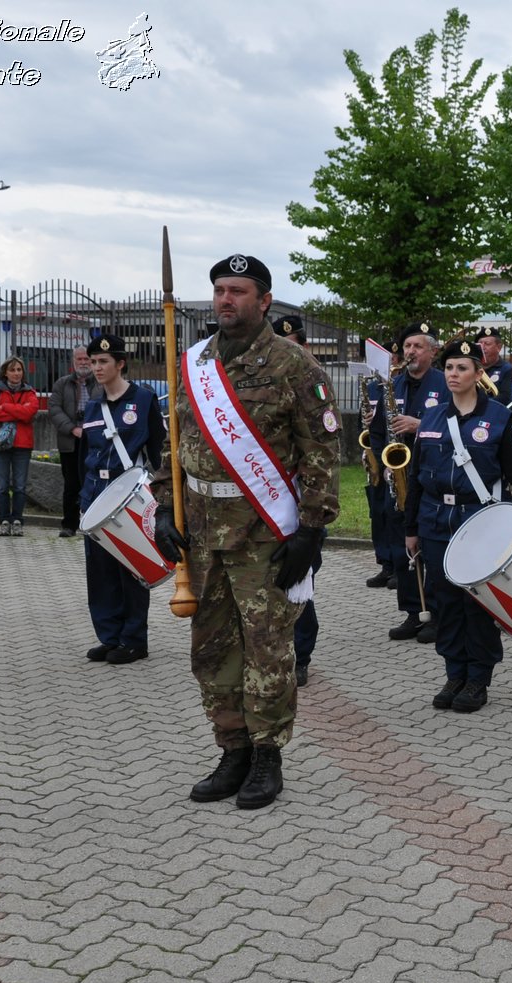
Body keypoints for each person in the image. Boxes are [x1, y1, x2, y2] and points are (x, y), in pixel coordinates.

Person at [150, 254, 340, 810]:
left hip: (265, 532)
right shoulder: (193, 364)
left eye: (237, 291)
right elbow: (175, 443)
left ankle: (266, 756)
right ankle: (231, 748)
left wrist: (311, 530)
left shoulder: (293, 365)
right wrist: (164, 506)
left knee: (267, 649)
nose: (225, 300)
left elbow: (321, 452)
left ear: (263, 300)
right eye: (219, 290)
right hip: (203, 532)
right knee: (211, 649)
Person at [403, 341, 512, 712]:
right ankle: (455, 672)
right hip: (436, 521)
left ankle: (478, 678)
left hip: (480, 522)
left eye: (462, 368)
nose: (453, 375)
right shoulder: (433, 417)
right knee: (446, 602)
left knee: (478, 603)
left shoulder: (499, 417)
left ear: (478, 374)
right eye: (449, 368)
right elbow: (416, 478)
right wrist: (410, 528)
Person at [79, 334, 166, 665]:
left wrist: (161, 495)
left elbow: (158, 449)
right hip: (95, 494)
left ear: (120, 364)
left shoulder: (143, 400)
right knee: (99, 572)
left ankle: (133, 639)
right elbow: (83, 455)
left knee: (131, 567)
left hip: (129, 495)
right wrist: (78, 500)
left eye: (103, 362)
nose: (97, 368)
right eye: (93, 362)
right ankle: (109, 636)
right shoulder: (92, 406)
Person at [370, 322, 447, 642]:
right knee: (404, 550)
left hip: (432, 477)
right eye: (406, 347)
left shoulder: (446, 384)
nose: (410, 352)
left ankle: (438, 614)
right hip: (399, 478)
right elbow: (376, 431)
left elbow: (458, 427)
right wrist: (385, 461)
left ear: (432, 351)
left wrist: (421, 425)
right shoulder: (393, 384)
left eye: (418, 346)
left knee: (430, 548)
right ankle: (414, 612)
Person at [276, 314, 325, 687]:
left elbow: (322, 449)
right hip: (261, 503)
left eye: (291, 343)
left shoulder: (313, 382)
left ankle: (301, 655)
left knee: (299, 583)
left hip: (299, 501)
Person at [362, 340, 404, 591]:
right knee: (379, 513)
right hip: (378, 454)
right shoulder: (372, 387)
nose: (393, 362)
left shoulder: (396, 385)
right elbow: (368, 422)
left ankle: (399, 567)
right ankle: (386, 563)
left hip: (396, 456)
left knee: (395, 515)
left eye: (394, 357)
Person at [0, 357, 39, 536]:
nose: (16, 373)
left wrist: (6, 406)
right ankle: (4, 521)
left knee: (20, 486)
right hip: (0, 445)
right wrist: (18, 411)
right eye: (12, 370)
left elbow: (29, 413)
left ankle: (17, 521)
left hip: (22, 445)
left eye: (19, 370)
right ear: (5, 372)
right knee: (2, 485)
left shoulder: (30, 392)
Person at [48, 344, 93, 537]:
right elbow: (54, 409)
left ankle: (91, 524)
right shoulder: (62, 384)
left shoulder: (99, 383)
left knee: (92, 483)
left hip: (94, 441)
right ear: (73, 362)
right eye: (79, 359)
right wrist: (72, 428)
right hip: (70, 442)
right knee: (71, 485)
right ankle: (69, 525)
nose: (83, 363)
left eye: (86, 359)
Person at [475, 326, 512, 406]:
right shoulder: (472, 369)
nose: (482, 347)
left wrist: (476, 404)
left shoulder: (508, 369)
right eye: (480, 344)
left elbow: (505, 398)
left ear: (499, 347)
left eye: (487, 344)